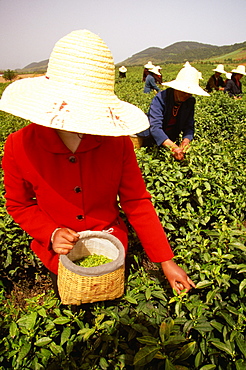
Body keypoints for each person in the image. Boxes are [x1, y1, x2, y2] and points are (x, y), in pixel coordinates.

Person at [1, 30, 195, 299]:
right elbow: (19, 204)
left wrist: (165, 260)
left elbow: (136, 201)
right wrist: (51, 232)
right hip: (57, 254)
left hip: (111, 245)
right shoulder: (18, 145)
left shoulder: (116, 142)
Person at [138, 62, 209, 160]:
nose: (187, 95)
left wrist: (186, 141)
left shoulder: (190, 101)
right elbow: (155, 127)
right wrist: (173, 147)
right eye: (184, 92)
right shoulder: (161, 98)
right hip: (152, 139)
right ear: (176, 88)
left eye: (190, 93)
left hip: (170, 139)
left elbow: (189, 126)